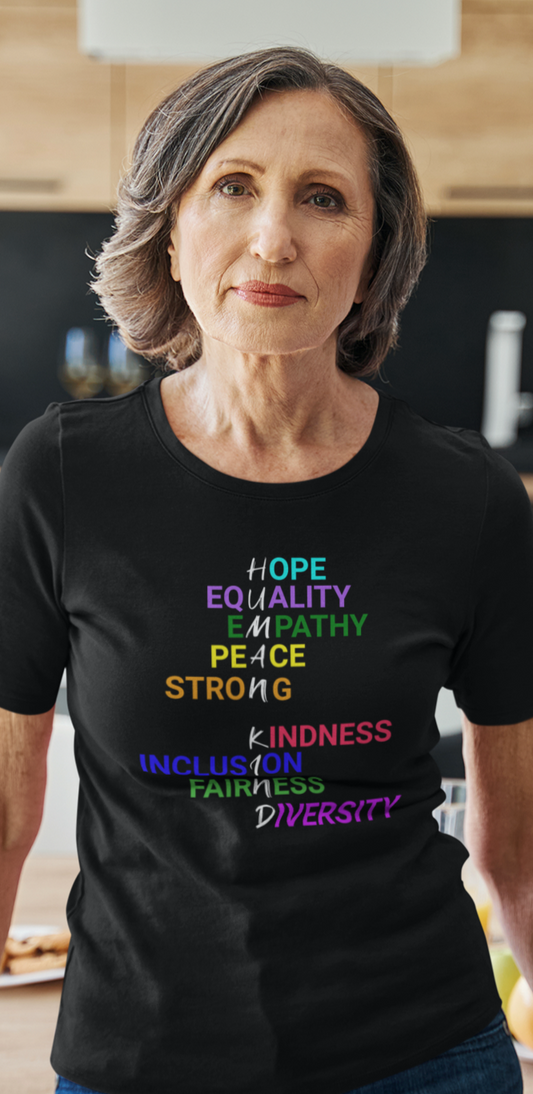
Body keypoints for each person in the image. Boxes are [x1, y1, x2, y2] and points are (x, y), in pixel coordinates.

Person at [1, 46, 532, 1094]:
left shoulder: (468, 499)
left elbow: (515, 838)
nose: (273, 237)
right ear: (171, 218)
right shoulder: (59, 475)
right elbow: (6, 808)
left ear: (373, 251)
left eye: (323, 198)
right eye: (232, 184)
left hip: (425, 1054)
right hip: (139, 1057)